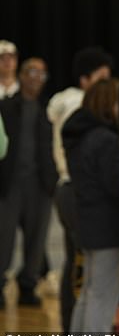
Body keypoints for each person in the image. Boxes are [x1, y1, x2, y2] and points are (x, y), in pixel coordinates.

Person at [62, 78, 119, 334]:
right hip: (109, 229)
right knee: (102, 298)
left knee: (89, 293)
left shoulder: (80, 136)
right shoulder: (104, 139)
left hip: (90, 225)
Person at [47, 46, 113, 334]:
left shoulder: (64, 103)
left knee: (79, 269)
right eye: (101, 78)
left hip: (67, 189)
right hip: (78, 191)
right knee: (86, 276)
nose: (106, 86)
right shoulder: (79, 106)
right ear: (85, 79)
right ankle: (79, 332)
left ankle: (74, 331)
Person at [0, 57, 58, 308]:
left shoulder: (48, 109)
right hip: (9, 183)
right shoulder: (5, 107)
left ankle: (28, 284)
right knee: (3, 239)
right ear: (22, 75)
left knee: (37, 240)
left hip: (40, 184)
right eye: (32, 72)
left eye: (42, 74)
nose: (36, 79)